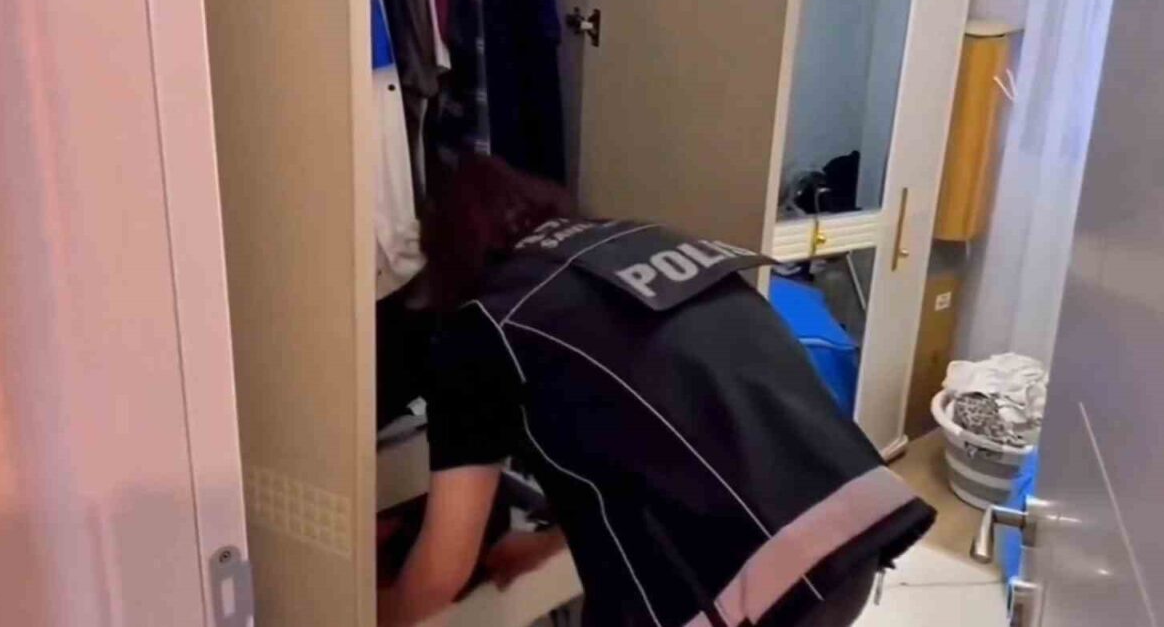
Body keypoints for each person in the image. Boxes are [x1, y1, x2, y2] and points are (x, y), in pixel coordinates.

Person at [378, 155, 935, 627]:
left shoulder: (481, 326)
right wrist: (546, 545)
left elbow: (443, 567)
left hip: (755, 583)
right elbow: (647, 443)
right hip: (851, 538)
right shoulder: (638, 241)